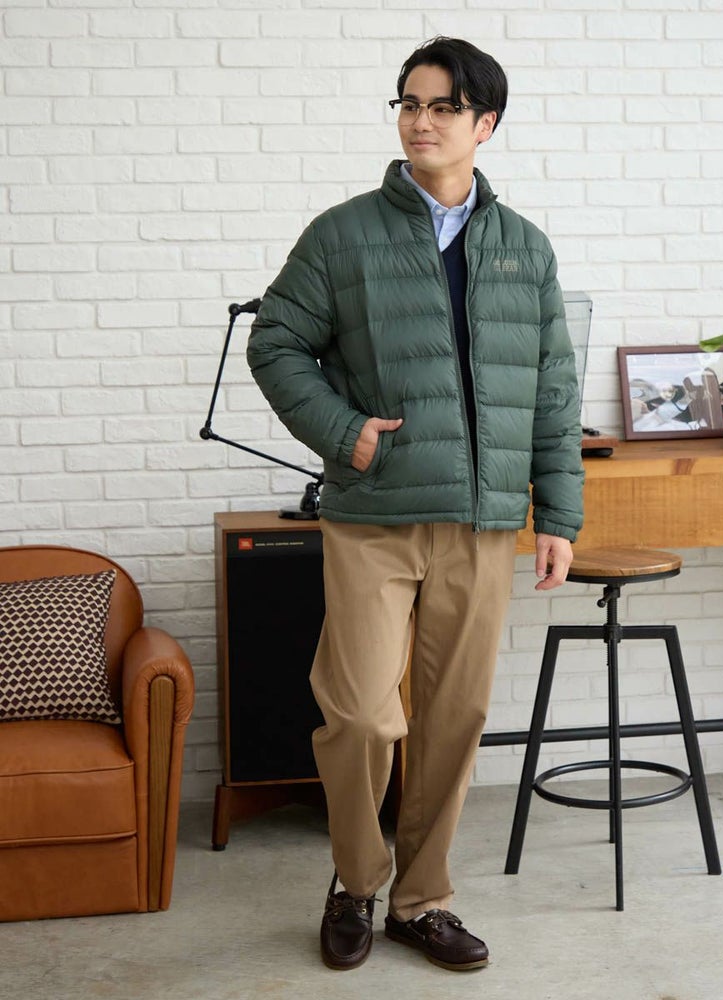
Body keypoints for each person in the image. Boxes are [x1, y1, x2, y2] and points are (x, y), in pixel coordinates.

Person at [247, 36, 584, 973]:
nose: (420, 121)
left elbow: (553, 390)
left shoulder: (525, 249)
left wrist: (558, 515)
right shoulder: (342, 234)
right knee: (360, 714)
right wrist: (343, 430)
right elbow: (275, 343)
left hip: (481, 522)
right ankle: (356, 882)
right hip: (374, 516)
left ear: (486, 123)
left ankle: (422, 901)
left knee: (453, 719)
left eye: (442, 106)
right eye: (408, 103)